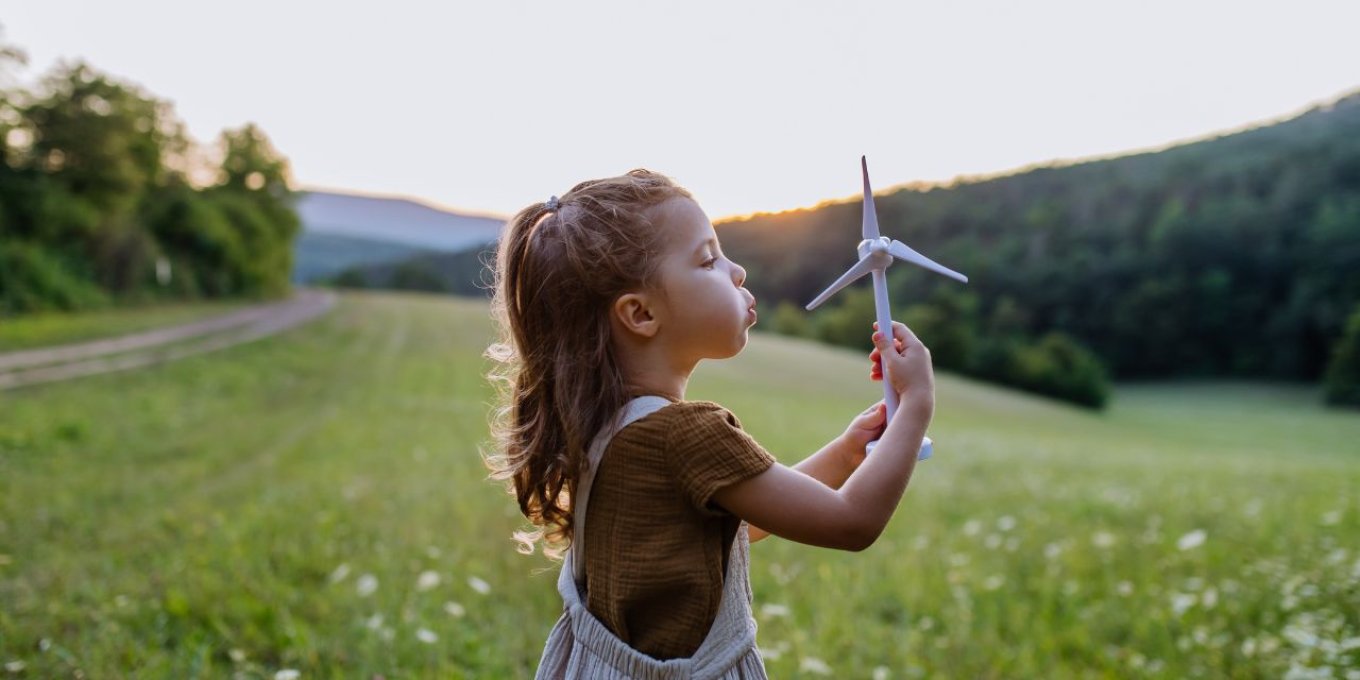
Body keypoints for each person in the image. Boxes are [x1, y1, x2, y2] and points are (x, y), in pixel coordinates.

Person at [484, 169, 934, 678]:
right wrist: (915, 403)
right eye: (708, 259)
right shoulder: (687, 434)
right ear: (641, 314)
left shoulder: (605, 426)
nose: (737, 271)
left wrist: (847, 452)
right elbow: (851, 522)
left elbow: (743, 522)